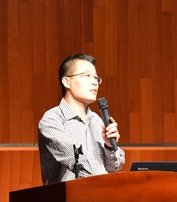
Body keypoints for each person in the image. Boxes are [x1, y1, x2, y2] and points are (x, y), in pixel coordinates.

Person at [38, 53, 126, 184]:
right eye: (86, 75)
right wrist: (111, 184)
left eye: (96, 78)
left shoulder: (96, 120)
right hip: (70, 195)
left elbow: (114, 168)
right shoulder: (52, 120)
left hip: (102, 193)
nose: (94, 82)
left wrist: (109, 147)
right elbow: (79, 163)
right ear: (66, 82)